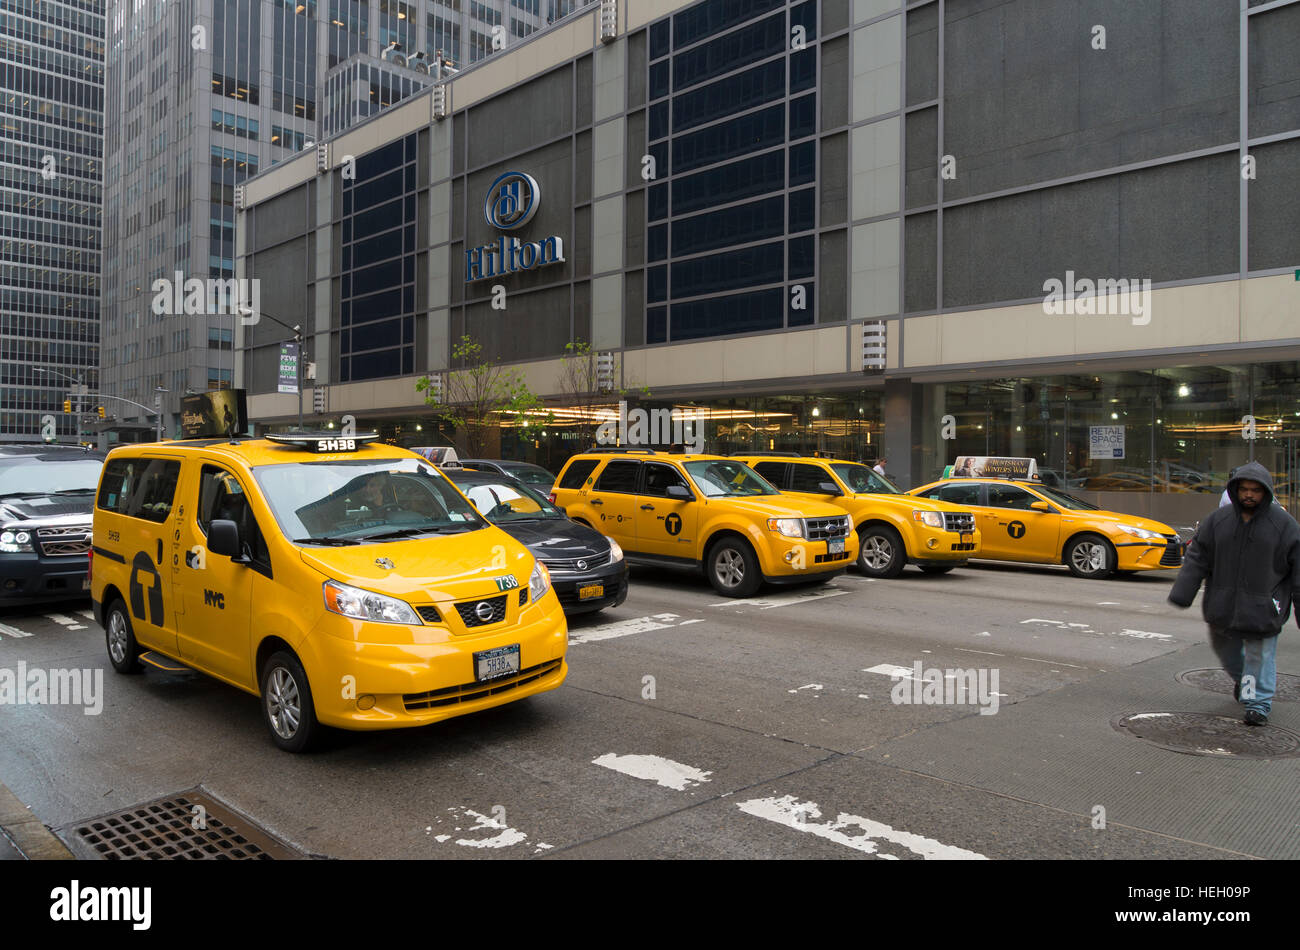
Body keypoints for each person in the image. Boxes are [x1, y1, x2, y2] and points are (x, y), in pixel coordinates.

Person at [1168, 462, 1300, 726]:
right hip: (1223, 606)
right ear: (1235, 490)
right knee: (1228, 654)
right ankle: (1245, 683)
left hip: (1264, 609)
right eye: (1244, 489)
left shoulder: (1284, 525)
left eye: (1255, 490)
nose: (1249, 495)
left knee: (1258, 657)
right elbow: (1197, 557)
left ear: (1266, 492)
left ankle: (1257, 704)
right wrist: (1184, 591)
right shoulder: (1218, 521)